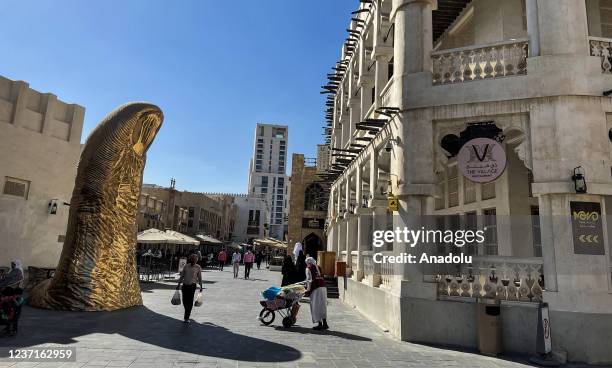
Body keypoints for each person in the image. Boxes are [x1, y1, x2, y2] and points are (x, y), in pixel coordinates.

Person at [176, 253, 203, 323]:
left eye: (195, 259)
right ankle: (186, 311)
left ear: (196, 260)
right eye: (193, 259)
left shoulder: (198, 267)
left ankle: (187, 317)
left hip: (192, 286)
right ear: (191, 259)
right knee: (184, 300)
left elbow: (200, 277)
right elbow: (182, 276)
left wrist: (201, 286)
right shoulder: (186, 266)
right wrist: (178, 284)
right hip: (185, 286)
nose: (194, 260)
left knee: (190, 301)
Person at [305, 257, 328, 330]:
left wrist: (307, 290)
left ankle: (319, 324)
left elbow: (309, 280)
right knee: (322, 305)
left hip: (315, 288)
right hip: (323, 287)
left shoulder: (308, 268)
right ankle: (325, 322)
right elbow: (322, 276)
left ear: (308, 262)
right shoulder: (319, 267)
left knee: (316, 306)